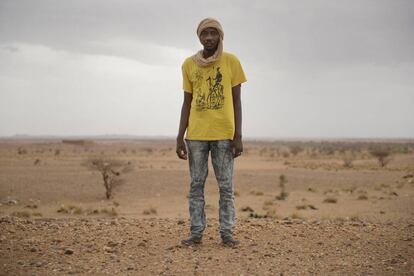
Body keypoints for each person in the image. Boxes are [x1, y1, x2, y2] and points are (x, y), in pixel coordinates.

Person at [176, 17, 247, 247]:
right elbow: (187, 102)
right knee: (196, 184)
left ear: (220, 36)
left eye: (213, 33)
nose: (209, 38)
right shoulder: (188, 64)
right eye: (205, 34)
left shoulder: (231, 62)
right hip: (196, 135)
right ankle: (196, 232)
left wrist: (238, 136)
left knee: (226, 186)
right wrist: (180, 136)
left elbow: (237, 101)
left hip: (224, 135)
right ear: (199, 37)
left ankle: (227, 233)